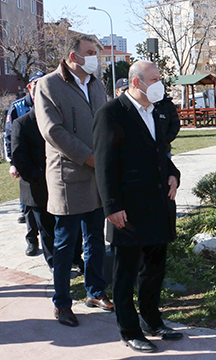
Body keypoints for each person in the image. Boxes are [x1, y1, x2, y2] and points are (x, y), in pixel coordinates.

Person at [94, 60, 182, 353]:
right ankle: (129, 330)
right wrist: (111, 205)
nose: (160, 83)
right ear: (136, 83)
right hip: (127, 210)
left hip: (158, 204)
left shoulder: (155, 112)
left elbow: (160, 152)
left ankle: (151, 319)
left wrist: (173, 174)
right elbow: (105, 165)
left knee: (155, 268)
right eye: (154, 78)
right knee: (126, 272)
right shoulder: (112, 113)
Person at [35, 34, 113, 327]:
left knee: (95, 237)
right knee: (66, 244)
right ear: (72, 56)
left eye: (97, 52)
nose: (95, 57)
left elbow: (104, 122)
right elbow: (53, 131)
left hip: (97, 176)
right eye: (91, 52)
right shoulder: (49, 85)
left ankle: (95, 292)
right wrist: (89, 157)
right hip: (68, 177)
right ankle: (62, 303)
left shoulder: (95, 84)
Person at [11, 74, 55, 269]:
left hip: (59, 182)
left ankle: (73, 257)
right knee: (45, 227)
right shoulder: (22, 123)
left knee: (63, 227)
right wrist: (38, 176)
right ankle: (53, 261)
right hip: (37, 185)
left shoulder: (57, 119)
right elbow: (19, 157)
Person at [5, 71, 43, 251]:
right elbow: (10, 136)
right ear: (30, 87)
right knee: (28, 204)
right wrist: (12, 163)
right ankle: (32, 239)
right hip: (25, 162)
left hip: (43, 165)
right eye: (36, 83)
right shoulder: (18, 107)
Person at [154, 91, 181, 157]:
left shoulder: (167, 105)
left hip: (164, 149)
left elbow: (175, 125)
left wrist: (166, 140)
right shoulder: (144, 103)